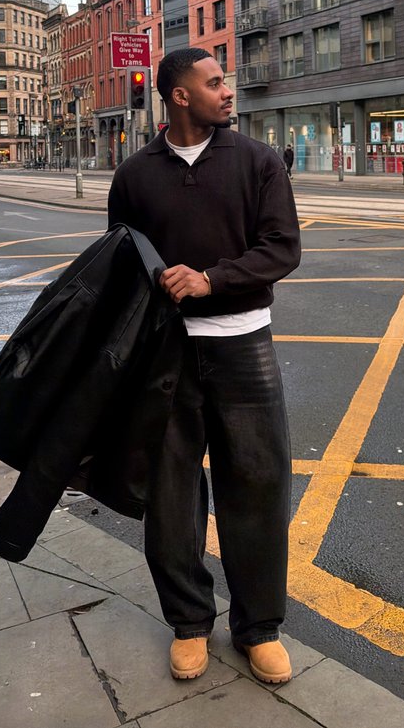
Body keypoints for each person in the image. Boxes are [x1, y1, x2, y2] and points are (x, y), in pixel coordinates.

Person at [107, 48, 301, 686]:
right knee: (170, 494)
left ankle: (259, 628)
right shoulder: (134, 175)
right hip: (164, 356)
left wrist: (212, 279)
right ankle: (189, 622)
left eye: (226, 81)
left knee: (258, 486)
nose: (228, 90)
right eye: (215, 82)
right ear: (180, 96)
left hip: (244, 346)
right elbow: (120, 261)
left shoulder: (259, 161)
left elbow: (282, 249)